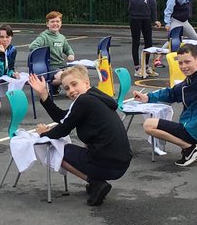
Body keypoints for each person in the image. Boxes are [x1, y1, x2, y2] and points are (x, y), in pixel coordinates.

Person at [26, 66, 132, 206]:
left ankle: (96, 183)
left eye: (74, 84)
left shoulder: (84, 101)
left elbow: (63, 129)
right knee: (83, 145)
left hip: (108, 165)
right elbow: (64, 117)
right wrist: (44, 95)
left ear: (86, 82)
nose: (71, 90)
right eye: (67, 88)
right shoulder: (95, 97)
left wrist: (43, 133)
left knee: (56, 150)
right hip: (121, 163)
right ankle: (96, 182)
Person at [133, 44, 197, 166]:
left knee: (149, 125)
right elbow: (171, 93)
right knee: (155, 123)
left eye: (187, 62)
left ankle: (190, 148)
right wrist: (148, 97)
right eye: (180, 63)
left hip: (193, 130)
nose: (183, 66)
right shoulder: (191, 80)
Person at [118, 0, 160, 78]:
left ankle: (146, 66)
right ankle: (137, 68)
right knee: (136, 42)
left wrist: (155, 19)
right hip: (135, 18)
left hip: (146, 18)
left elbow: (153, 4)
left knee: (149, 43)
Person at [29, 11, 75, 90]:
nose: (55, 23)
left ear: (61, 23)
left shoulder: (61, 37)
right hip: (50, 67)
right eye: (52, 22)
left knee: (77, 74)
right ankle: (49, 84)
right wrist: (43, 55)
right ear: (47, 24)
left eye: (57, 21)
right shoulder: (44, 36)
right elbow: (32, 46)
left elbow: (67, 48)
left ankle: (53, 86)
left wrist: (70, 54)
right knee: (65, 76)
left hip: (61, 65)